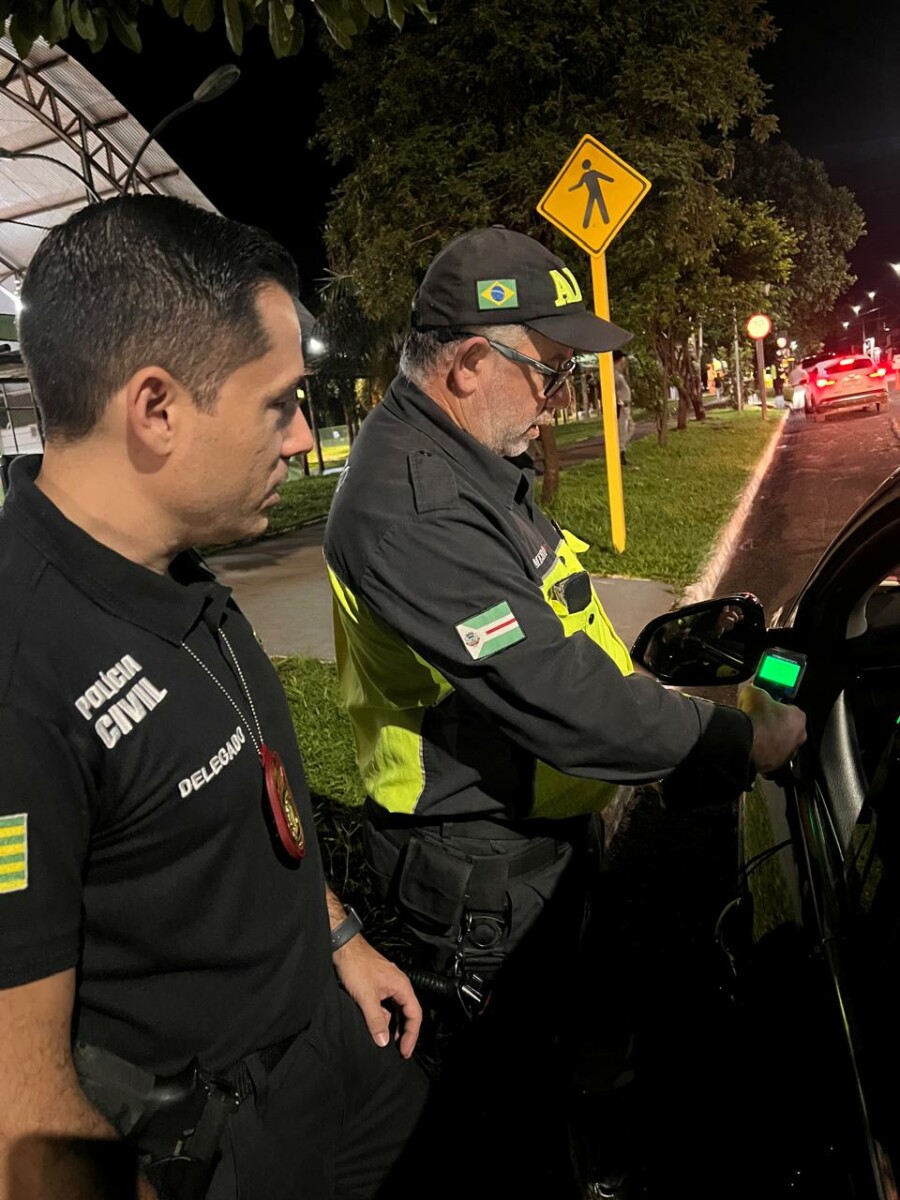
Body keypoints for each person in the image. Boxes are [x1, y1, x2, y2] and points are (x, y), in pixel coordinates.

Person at [323, 225, 806, 1193]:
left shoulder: (464, 461)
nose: (559, 399)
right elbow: (557, 694)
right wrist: (738, 740)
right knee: (510, 1117)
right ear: (469, 364)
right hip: (476, 874)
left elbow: (557, 631)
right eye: (550, 371)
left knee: (581, 1057)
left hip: (532, 839)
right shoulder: (412, 504)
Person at [0, 196, 430, 1200]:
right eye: (278, 403)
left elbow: (249, 803)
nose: (300, 437)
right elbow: (21, 1111)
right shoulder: (23, 679)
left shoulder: (172, 565)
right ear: (156, 409)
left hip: (333, 1051)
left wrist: (337, 935)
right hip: (220, 1151)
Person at [613, 347, 635, 466]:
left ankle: (621, 447)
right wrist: (618, 401)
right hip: (621, 406)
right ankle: (620, 453)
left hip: (626, 405)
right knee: (622, 429)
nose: (624, 361)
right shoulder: (613, 373)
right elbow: (612, 388)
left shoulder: (618, 373)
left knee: (631, 427)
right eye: (622, 359)